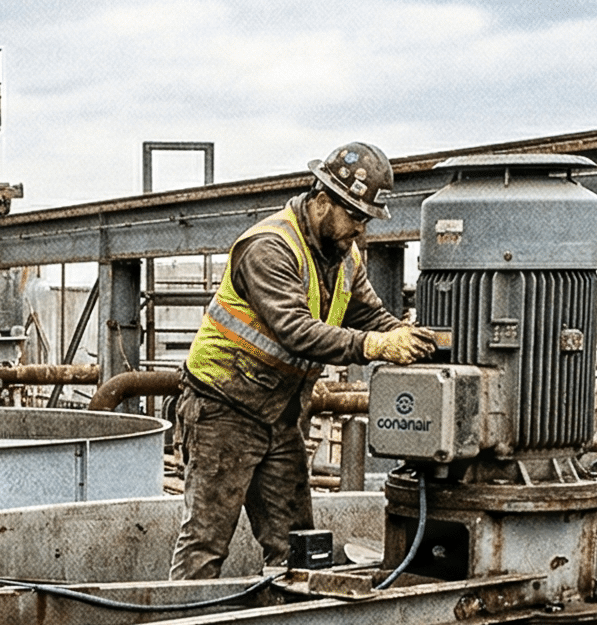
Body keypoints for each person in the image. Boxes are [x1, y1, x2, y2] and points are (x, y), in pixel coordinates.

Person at [169, 141, 441, 579]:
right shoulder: (269, 248)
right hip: (224, 408)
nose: (360, 229)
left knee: (295, 542)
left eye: (366, 219)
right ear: (320, 201)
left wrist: (401, 334)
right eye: (354, 215)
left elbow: (368, 312)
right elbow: (294, 330)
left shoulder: (344, 256)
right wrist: (374, 346)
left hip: (281, 413)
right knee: (206, 541)